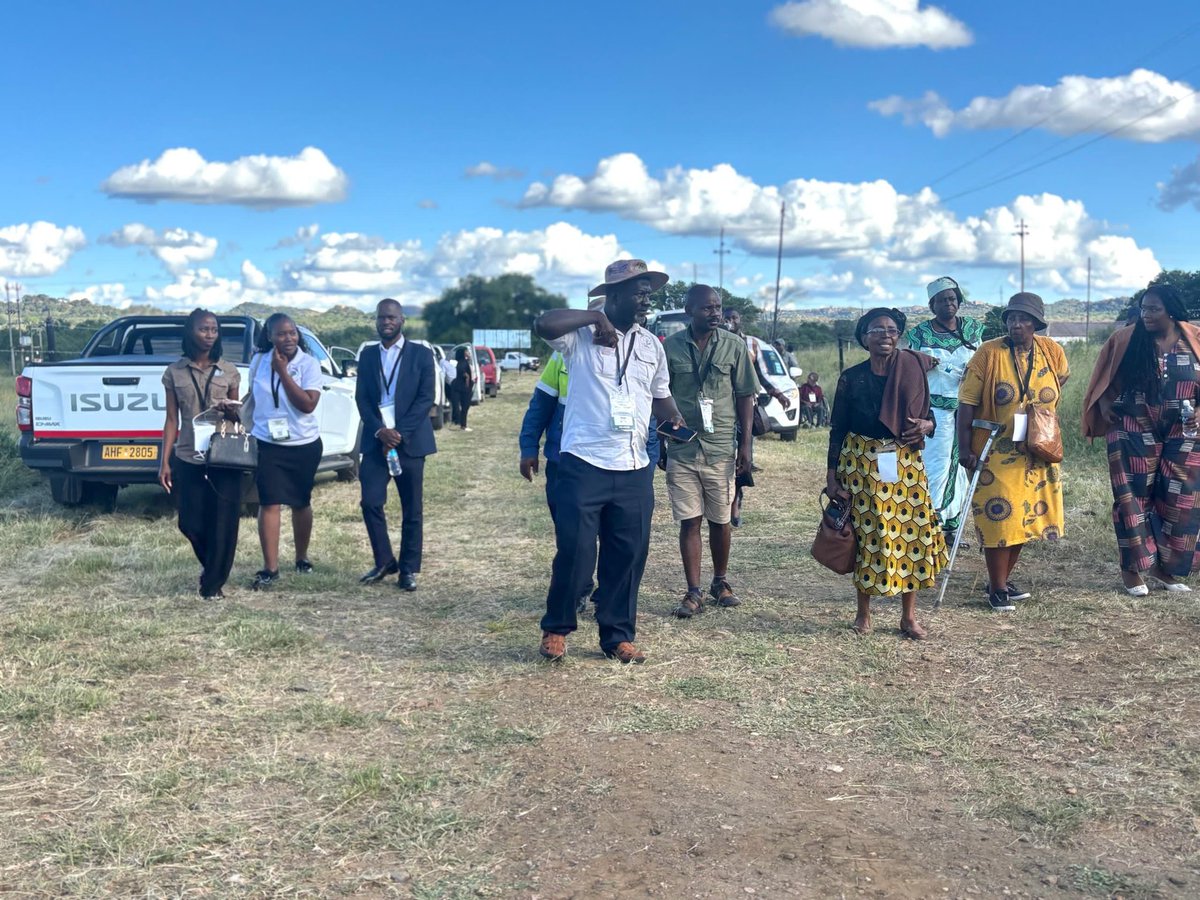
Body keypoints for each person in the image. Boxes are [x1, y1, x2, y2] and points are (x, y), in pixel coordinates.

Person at [534, 258, 684, 664]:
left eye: (648, 294)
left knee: (628, 554)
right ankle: (557, 627)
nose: (645, 301)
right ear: (613, 295)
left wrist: (672, 419)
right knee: (577, 553)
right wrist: (595, 318)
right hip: (584, 463)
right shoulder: (579, 335)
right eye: (639, 292)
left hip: (635, 465)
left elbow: (659, 394)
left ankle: (617, 635)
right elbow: (544, 324)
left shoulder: (651, 345)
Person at [826, 308, 945, 638]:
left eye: (892, 330)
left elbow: (929, 415)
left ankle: (908, 617)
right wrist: (832, 475)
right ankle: (863, 614)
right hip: (861, 461)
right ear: (864, 338)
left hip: (904, 463)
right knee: (867, 537)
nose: (885, 335)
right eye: (877, 330)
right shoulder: (851, 378)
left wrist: (928, 424)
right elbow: (838, 429)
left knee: (912, 534)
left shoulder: (912, 370)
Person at [1083, 284, 1200, 595]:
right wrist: (1106, 404)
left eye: (1153, 309)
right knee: (1132, 496)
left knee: (1181, 498)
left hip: (1184, 429)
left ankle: (1165, 568)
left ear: (1171, 311)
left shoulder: (1194, 338)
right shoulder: (1126, 339)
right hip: (1133, 424)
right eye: (1143, 308)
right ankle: (1132, 569)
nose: (1146, 315)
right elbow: (1103, 378)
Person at [957, 293, 1070, 611]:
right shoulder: (988, 353)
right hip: (994, 449)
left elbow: (1058, 384)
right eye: (1011, 318)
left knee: (1024, 517)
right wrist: (964, 448)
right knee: (1000, 516)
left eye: (1024, 319)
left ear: (1036, 323)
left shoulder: (1052, 351)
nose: (1016, 324)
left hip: (1037, 449)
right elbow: (965, 403)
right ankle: (996, 588)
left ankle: (1001, 582)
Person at [663, 285, 757, 617]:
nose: (715, 313)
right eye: (707, 308)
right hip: (683, 448)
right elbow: (661, 394)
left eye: (718, 307)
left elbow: (746, 395)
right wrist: (664, 433)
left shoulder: (734, 346)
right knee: (689, 521)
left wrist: (745, 446)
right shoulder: (671, 347)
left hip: (720, 449)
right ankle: (693, 592)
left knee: (721, 520)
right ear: (689, 310)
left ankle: (720, 582)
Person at [158, 308, 243, 600]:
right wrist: (164, 461)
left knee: (224, 521)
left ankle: (213, 585)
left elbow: (239, 417)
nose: (209, 335)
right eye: (204, 329)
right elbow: (171, 420)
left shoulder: (229, 371)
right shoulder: (174, 372)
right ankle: (212, 567)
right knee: (190, 522)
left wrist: (232, 410)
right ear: (190, 332)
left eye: (214, 330)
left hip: (223, 455)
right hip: (188, 456)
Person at [355, 298, 437, 591]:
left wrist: (399, 432)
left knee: (412, 508)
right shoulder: (366, 356)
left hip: (410, 441)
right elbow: (362, 398)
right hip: (377, 442)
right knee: (371, 501)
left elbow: (426, 397)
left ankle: (408, 570)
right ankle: (384, 561)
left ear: (402, 320)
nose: (385, 322)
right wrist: (380, 431)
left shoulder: (421, 355)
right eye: (380, 317)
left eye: (391, 317)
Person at [246, 313, 324, 589]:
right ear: (269, 336)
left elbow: (307, 404)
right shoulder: (258, 361)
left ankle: (302, 557)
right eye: (281, 334)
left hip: (303, 444)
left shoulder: (309, 364)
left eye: (292, 333)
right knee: (269, 501)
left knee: (300, 501)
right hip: (268, 442)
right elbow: (253, 397)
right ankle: (271, 567)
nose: (288, 338)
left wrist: (282, 372)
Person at [905, 276, 986, 537]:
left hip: (969, 410)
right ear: (932, 305)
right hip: (935, 412)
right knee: (936, 464)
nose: (948, 304)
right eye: (942, 300)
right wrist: (922, 362)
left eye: (952, 299)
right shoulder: (919, 334)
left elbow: (986, 362)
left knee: (962, 469)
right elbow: (908, 367)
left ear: (959, 301)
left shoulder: (974, 329)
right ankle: (931, 525)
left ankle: (953, 525)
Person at [722, 308, 791, 524]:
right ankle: (721, 505)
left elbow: (758, 374)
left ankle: (735, 506)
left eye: (734, 318)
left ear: (740, 320)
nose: (730, 322)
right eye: (727, 318)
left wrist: (777, 393)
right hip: (721, 410)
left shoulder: (750, 344)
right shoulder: (716, 343)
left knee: (743, 457)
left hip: (745, 409)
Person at [450, 347, 474, 431]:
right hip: (463, 388)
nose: (468, 352)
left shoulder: (463, 361)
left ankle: (462, 424)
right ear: (464, 353)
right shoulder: (463, 362)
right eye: (467, 351)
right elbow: (462, 371)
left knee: (463, 407)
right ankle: (463, 425)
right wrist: (467, 378)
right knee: (465, 406)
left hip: (460, 387)